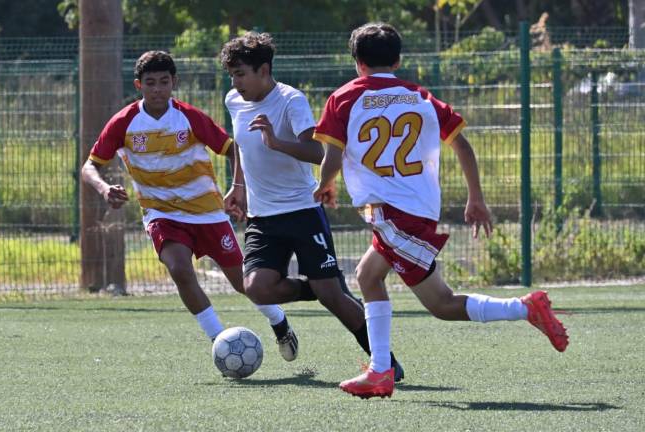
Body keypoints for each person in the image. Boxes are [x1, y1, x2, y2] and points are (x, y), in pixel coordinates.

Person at [313, 23, 569, 399]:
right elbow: (463, 147)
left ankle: (525, 308)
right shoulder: (420, 97)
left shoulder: (344, 98)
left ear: (357, 62)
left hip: (392, 214)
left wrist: (325, 184)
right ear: (398, 60)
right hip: (418, 211)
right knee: (368, 276)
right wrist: (475, 198)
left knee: (442, 305)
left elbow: (332, 154)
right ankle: (380, 369)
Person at [81, 50, 299, 360]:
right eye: (150, 83)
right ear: (138, 85)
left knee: (243, 284)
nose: (157, 89)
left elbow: (234, 149)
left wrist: (238, 188)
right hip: (161, 214)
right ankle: (220, 341)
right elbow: (89, 167)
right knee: (179, 268)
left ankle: (280, 324)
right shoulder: (124, 122)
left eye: (164, 82)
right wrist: (103, 188)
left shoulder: (189, 117)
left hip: (207, 213)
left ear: (174, 83)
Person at [220, 32, 404, 380]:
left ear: (264, 69)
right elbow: (242, 148)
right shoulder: (234, 100)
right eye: (232, 75)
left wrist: (276, 142)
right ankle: (316, 287)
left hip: (302, 212)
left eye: (241, 74)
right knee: (256, 287)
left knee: (334, 298)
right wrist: (237, 186)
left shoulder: (291, 100)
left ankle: (387, 363)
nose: (236, 82)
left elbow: (318, 153)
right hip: (262, 217)